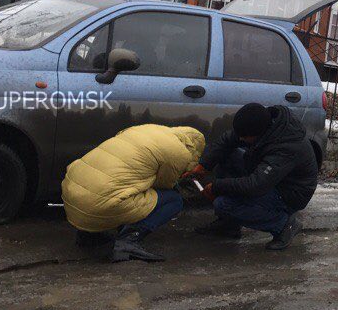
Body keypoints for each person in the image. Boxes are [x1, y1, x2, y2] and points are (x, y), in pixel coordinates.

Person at [62, 125, 205, 262]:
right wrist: (183, 180)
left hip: (72, 196)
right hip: (98, 206)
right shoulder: (179, 152)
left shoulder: (142, 130)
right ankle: (128, 242)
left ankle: (88, 234)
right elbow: (164, 185)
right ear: (193, 149)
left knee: (115, 181)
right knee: (173, 200)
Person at [190, 103, 318, 250]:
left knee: (224, 204)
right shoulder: (261, 124)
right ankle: (228, 225)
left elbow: (256, 185)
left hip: (289, 193)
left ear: (258, 134)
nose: (241, 139)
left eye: (244, 137)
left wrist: (217, 187)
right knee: (227, 155)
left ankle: (284, 224)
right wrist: (204, 165)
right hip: (269, 177)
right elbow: (227, 140)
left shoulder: (286, 147)